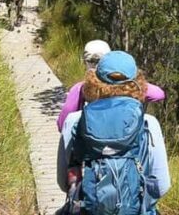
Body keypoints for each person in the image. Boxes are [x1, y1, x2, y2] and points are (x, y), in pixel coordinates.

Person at [58, 51, 170, 215]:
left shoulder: (74, 121)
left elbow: (64, 182)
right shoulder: (148, 123)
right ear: (138, 84)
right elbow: (161, 185)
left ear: (93, 82)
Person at [56, 40, 165, 131]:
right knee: (151, 122)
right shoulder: (127, 85)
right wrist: (134, 84)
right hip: (127, 138)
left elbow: (62, 124)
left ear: (84, 62)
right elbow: (158, 94)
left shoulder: (80, 88)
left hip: (91, 141)